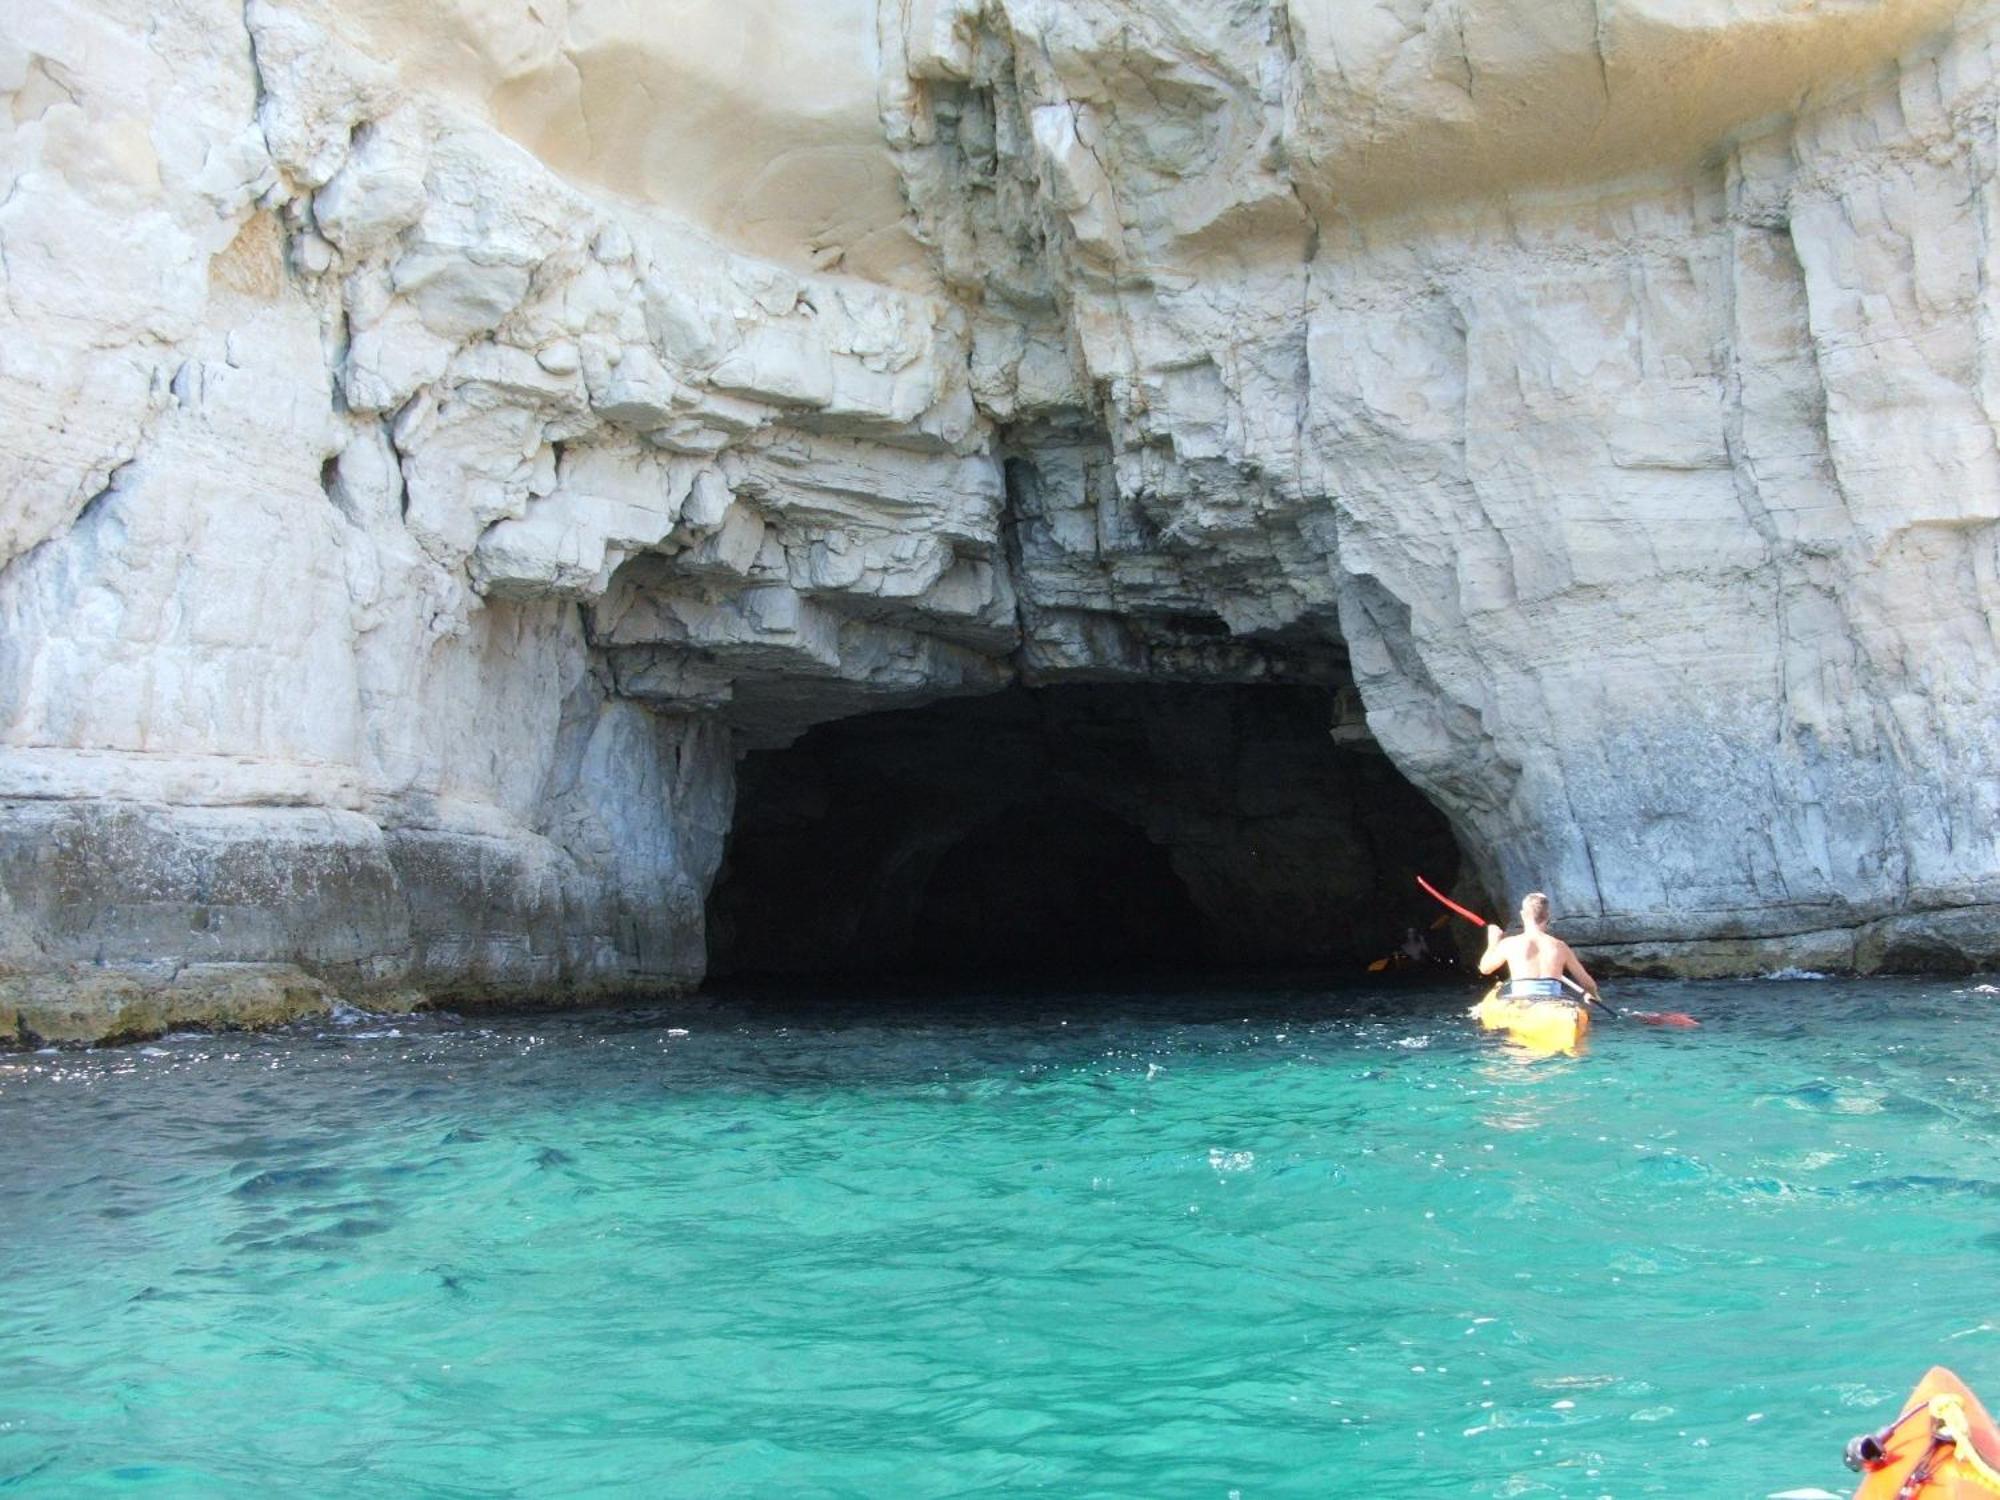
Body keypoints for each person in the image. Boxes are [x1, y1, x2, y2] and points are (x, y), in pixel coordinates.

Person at [1477, 892, 1601, 1002]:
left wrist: (1493, 941)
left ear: (1523, 915)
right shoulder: (1560, 946)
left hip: (1521, 1001)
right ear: (1547, 916)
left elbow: (1485, 969)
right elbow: (1587, 983)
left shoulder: (1509, 944)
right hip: (1552, 1002)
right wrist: (1593, 995)